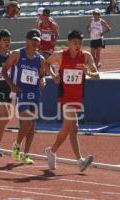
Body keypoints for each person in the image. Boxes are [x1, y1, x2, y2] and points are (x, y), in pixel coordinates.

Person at [44, 30, 100, 172]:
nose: (78, 45)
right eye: (75, 42)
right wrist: (53, 76)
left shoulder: (86, 56)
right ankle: (80, 161)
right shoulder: (60, 55)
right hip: (65, 96)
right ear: (69, 42)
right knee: (73, 126)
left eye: (80, 42)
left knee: (69, 128)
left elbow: (97, 76)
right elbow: (46, 63)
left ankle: (51, 151)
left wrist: (89, 73)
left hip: (77, 97)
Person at [2, 29, 46, 164]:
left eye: (37, 40)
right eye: (32, 39)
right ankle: (16, 145)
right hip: (22, 94)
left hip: (35, 94)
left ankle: (25, 155)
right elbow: (4, 70)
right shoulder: (17, 54)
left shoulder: (41, 59)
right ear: (27, 40)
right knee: (27, 122)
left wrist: (43, 80)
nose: (35, 42)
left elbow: (42, 75)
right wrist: (11, 85)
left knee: (32, 127)